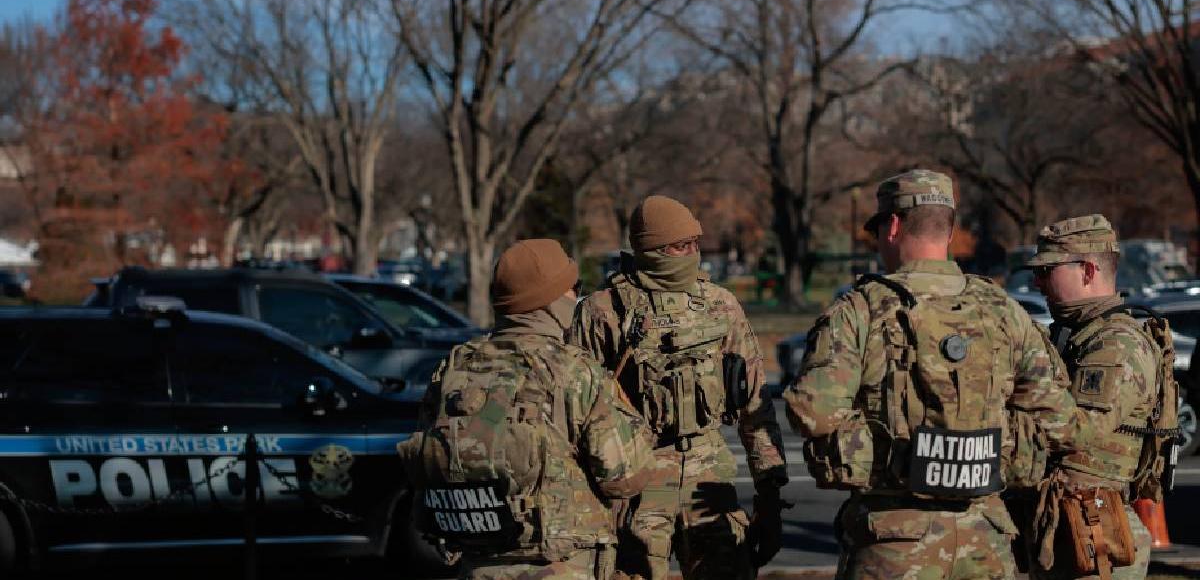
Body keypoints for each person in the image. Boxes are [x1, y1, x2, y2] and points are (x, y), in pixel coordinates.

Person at [784, 169, 1097, 580]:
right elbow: (1064, 425)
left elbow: (813, 413)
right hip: (986, 539)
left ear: (893, 226)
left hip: (892, 542)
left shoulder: (859, 310)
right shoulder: (1003, 310)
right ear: (949, 231)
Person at [399, 239, 657, 579]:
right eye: (572, 288)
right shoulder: (573, 371)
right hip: (561, 567)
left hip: (476, 566)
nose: (575, 297)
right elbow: (624, 478)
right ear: (549, 301)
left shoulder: (456, 367)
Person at [570, 195, 787, 580]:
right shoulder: (602, 311)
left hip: (709, 478)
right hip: (637, 481)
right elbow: (577, 414)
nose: (690, 254)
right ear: (649, 249)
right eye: (678, 246)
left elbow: (755, 403)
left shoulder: (720, 305)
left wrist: (769, 495)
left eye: (694, 244)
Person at [1022, 215, 1170, 580]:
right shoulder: (1077, 336)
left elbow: (1077, 431)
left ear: (1088, 270)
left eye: (1047, 271)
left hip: (1093, 534)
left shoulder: (1116, 344)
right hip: (1068, 527)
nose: (1037, 283)